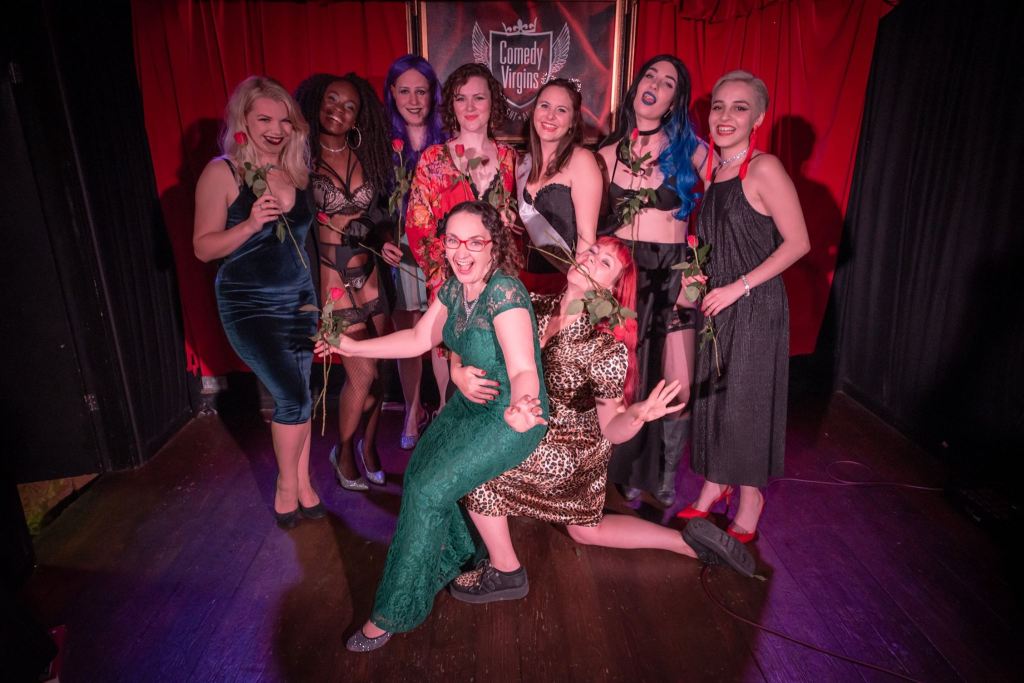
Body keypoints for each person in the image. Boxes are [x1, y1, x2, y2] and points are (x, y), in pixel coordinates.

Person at [447, 237, 756, 603]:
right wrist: (456, 370)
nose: (591, 260)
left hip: (567, 454)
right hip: (536, 436)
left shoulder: (604, 345)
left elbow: (612, 428)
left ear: (611, 291)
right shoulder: (534, 306)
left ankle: (506, 571)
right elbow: (466, 325)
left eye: (605, 264)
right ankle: (688, 542)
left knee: (476, 470)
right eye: (592, 252)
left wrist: (638, 415)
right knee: (585, 532)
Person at [315, 200, 548, 651]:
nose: (462, 252)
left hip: (510, 418)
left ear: (493, 245)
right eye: (453, 241)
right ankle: (458, 556)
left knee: (426, 490)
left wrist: (522, 404)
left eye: (475, 242)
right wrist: (351, 345)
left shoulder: (505, 294)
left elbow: (523, 369)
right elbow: (421, 339)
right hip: (469, 403)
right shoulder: (454, 288)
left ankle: (392, 613)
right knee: (422, 463)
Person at [681, 70, 810, 543]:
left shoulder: (765, 167)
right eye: (718, 106)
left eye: (739, 107)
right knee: (716, 397)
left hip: (755, 303)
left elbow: (798, 243)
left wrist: (738, 286)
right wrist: (698, 272)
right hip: (719, 302)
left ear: (758, 117)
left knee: (748, 402)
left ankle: (750, 494)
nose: (725, 116)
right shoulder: (714, 173)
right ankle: (716, 483)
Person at [193, 76, 322, 528]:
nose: (276, 128)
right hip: (249, 304)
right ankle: (287, 487)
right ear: (242, 121)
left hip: (299, 301)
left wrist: (323, 300)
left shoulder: (296, 173)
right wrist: (249, 224)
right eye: (264, 118)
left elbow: (307, 246)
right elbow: (203, 248)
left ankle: (304, 483)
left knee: (303, 394)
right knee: (289, 397)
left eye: (284, 120)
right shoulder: (223, 171)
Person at [598, 55, 709, 506]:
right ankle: (624, 468)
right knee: (624, 375)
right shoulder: (606, 154)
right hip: (625, 273)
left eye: (667, 83)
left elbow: (721, 213)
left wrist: (698, 268)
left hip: (673, 271)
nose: (655, 85)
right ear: (636, 85)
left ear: (673, 101)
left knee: (676, 379)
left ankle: (664, 474)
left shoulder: (694, 151)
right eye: (650, 76)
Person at [294, 73, 393, 491]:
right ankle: (345, 450)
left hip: (369, 275)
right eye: (331, 100)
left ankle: (369, 447)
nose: (338, 110)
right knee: (362, 372)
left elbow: (381, 214)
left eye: (349, 105)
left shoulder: (366, 155)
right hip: (332, 282)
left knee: (383, 373)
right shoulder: (301, 159)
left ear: (358, 117)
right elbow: (295, 219)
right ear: (317, 104)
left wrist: (381, 236)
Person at [404, 63, 518, 413]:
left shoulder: (508, 158)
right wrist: (454, 271)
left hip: (495, 280)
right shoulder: (433, 159)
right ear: (451, 106)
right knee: (449, 355)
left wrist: (509, 224)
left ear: (492, 103)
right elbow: (417, 226)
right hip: (449, 276)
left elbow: (510, 226)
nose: (470, 107)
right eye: (461, 98)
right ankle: (445, 411)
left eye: (478, 98)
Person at [378, 55, 447, 450]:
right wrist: (383, 236)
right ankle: (412, 408)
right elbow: (374, 204)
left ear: (433, 94)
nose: (414, 99)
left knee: (438, 330)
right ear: (392, 94)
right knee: (409, 329)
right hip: (401, 249)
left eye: (421, 90)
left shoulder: (446, 140)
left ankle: (441, 408)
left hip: (439, 246)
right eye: (404, 90)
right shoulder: (381, 144)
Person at [516, 78, 602, 294]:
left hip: (563, 283)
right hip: (523, 284)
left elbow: (586, 237)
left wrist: (576, 294)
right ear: (534, 111)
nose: (550, 116)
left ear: (573, 121)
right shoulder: (521, 164)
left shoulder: (581, 160)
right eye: (544, 106)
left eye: (561, 110)